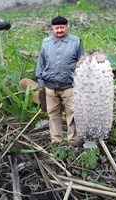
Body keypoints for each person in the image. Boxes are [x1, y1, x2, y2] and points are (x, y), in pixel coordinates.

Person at [35, 16, 84, 144]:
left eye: (62, 27)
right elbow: (41, 63)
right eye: (56, 28)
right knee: (53, 114)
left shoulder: (76, 42)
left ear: (67, 26)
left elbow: (82, 64)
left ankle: (73, 141)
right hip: (50, 87)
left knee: (73, 115)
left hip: (69, 87)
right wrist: (41, 83)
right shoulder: (46, 43)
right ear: (52, 28)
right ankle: (57, 141)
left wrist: (80, 84)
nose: (59, 30)